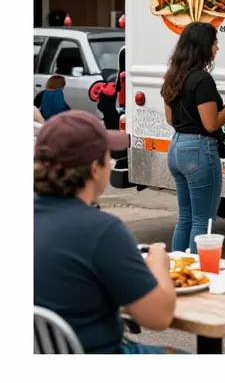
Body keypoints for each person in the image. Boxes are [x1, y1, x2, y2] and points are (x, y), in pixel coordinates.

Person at [34, 111, 178, 353]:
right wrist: (158, 262)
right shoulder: (102, 230)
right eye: (108, 155)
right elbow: (159, 317)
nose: (111, 161)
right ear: (94, 169)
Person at [161, 22, 225, 254]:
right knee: (203, 220)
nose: (217, 48)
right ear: (203, 47)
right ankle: (197, 275)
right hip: (199, 151)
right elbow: (211, 123)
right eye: (214, 43)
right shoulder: (202, 80)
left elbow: (170, 119)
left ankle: (177, 270)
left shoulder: (172, 77)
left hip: (177, 147)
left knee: (185, 218)